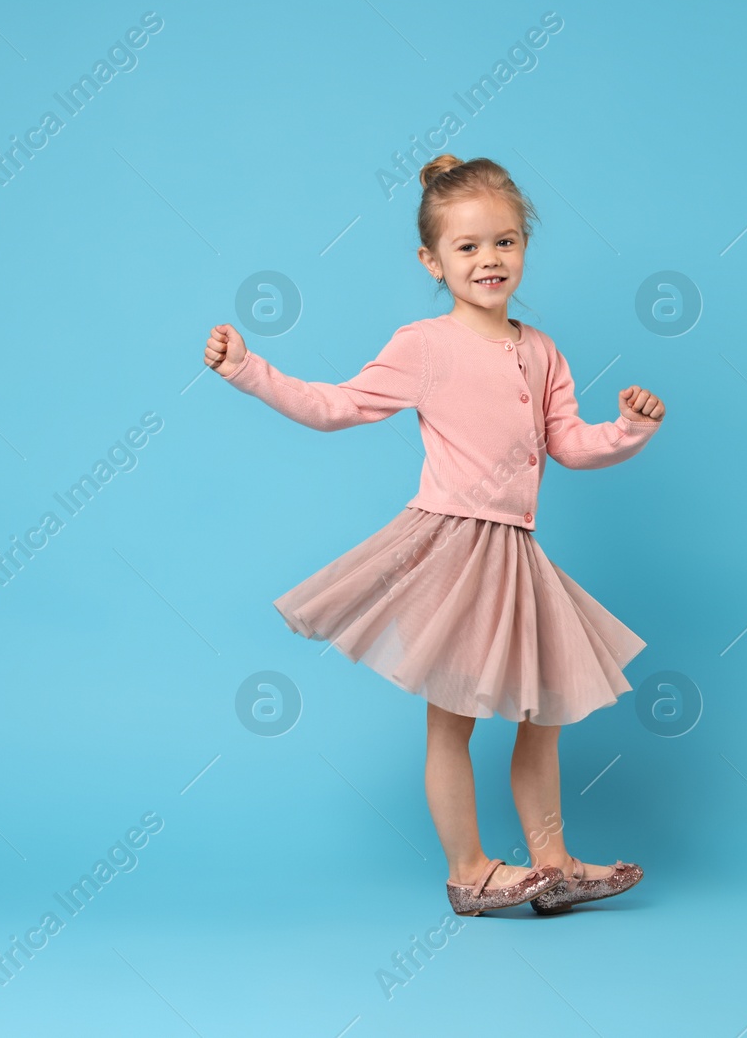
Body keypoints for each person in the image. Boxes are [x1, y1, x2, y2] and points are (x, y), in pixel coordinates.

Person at [205, 153, 666, 916]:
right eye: (468, 246)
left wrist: (628, 429)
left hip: (516, 555)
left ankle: (552, 864)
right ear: (431, 260)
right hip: (453, 549)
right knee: (452, 722)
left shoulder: (542, 349)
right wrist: (250, 369)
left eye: (506, 242)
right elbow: (335, 405)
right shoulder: (424, 344)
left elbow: (571, 444)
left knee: (543, 712)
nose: (489, 259)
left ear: (525, 246)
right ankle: (469, 869)